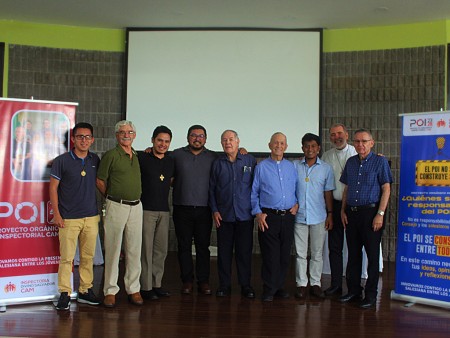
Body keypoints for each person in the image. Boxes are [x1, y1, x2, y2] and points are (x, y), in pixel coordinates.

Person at [49, 122, 100, 311]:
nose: (84, 140)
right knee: (67, 258)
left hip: (91, 217)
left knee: (88, 257)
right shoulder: (62, 160)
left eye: (87, 137)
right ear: (73, 139)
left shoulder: (95, 159)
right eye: (80, 137)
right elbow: (53, 188)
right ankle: (64, 293)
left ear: (92, 140)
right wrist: (57, 214)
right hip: (68, 218)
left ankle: (86, 291)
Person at [339, 128, 392, 309]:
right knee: (353, 254)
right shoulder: (351, 162)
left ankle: (370, 295)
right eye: (357, 141)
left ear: (372, 142)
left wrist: (380, 214)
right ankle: (354, 290)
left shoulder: (380, 161)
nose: (360, 144)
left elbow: (386, 188)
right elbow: (346, 188)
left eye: (364, 141)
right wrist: (342, 210)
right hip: (351, 214)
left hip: (371, 214)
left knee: (371, 255)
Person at [96, 120, 143, 308]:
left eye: (130, 132)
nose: (126, 135)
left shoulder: (137, 156)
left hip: (136, 207)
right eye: (122, 132)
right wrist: (111, 197)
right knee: (113, 249)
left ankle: (134, 289)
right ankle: (110, 290)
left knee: (134, 250)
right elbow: (100, 181)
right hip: (116, 206)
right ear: (116, 135)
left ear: (134, 135)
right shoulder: (111, 155)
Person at [209, 130, 256, 298]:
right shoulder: (217, 163)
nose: (228, 142)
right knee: (224, 253)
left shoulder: (249, 160)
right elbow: (212, 189)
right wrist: (214, 210)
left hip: (245, 216)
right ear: (221, 143)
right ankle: (224, 285)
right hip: (224, 216)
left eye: (231, 139)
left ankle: (245, 285)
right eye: (224, 140)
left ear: (238, 142)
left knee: (244, 253)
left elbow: (256, 187)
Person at [251, 132, 298, 302]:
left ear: (286, 146)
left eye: (282, 143)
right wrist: (258, 213)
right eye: (275, 142)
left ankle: (279, 287)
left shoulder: (291, 167)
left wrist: (297, 203)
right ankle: (269, 288)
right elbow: (254, 192)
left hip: (287, 217)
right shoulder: (261, 167)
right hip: (268, 216)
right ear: (269, 145)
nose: (279, 145)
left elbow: (297, 189)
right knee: (270, 255)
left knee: (284, 255)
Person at [171, 125, 218, 295]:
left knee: (203, 247)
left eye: (201, 136)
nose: (197, 139)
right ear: (187, 137)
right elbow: (160, 160)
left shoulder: (213, 157)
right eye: (193, 135)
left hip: (204, 209)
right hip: (182, 208)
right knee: (183, 246)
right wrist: (148, 150)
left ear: (205, 139)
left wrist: (241, 149)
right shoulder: (176, 154)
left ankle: (203, 281)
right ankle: (187, 281)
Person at [293, 133, 335, 300]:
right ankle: (301, 284)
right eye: (306, 146)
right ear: (302, 148)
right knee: (300, 253)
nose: (310, 149)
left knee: (317, 253)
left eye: (313, 146)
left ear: (318, 148)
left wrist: (330, 214)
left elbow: (328, 193)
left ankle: (315, 283)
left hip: (319, 216)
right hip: (299, 217)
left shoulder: (326, 168)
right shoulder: (294, 166)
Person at [138, 125, 175, 300]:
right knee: (146, 250)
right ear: (152, 140)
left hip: (164, 211)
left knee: (161, 250)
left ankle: (156, 284)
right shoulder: (142, 158)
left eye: (166, 141)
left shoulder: (171, 160)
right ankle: (145, 287)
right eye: (159, 140)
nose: (163, 144)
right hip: (146, 210)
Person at [321, 123, 357, 296]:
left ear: (347, 135)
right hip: (334, 206)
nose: (337, 137)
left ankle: (352, 286)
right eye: (333, 134)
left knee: (353, 247)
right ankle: (336, 284)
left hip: (353, 206)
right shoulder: (326, 156)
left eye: (340, 133)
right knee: (334, 247)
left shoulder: (357, 153)